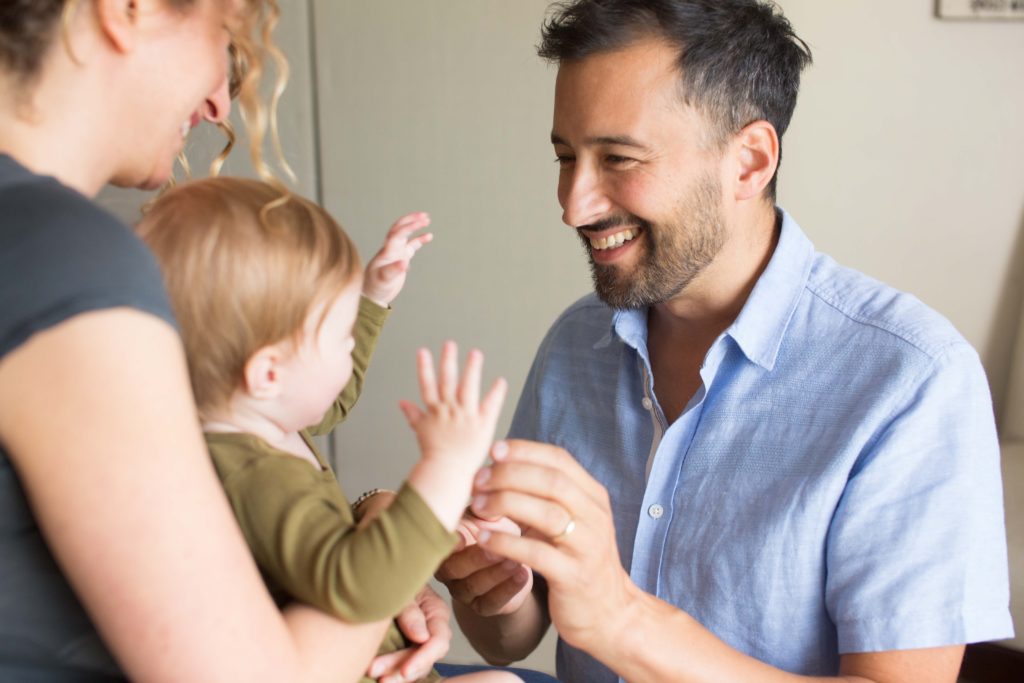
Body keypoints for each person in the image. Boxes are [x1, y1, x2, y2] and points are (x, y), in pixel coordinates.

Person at [435, 1, 1014, 681]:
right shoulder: (575, 341)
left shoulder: (913, 378)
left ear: (749, 161)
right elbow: (512, 637)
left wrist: (623, 619)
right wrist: (496, 585)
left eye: (618, 158)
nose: (574, 204)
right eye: (566, 157)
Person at [0, 1, 454, 681]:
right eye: (225, 36)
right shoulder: (65, 260)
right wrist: (396, 537)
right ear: (130, 9)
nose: (219, 101)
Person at [136, 176, 525, 683]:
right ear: (269, 373)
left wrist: (371, 297)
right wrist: (443, 474)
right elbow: (359, 585)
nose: (350, 351)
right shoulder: (259, 478)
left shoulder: (256, 421)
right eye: (340, 337)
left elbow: (329, 402)